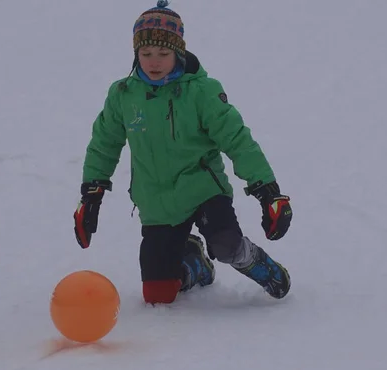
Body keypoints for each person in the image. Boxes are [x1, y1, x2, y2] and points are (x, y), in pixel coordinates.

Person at [74, 0, 293, 305]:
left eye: (163, 53)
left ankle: (252, 259)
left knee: (226, 244)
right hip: (156, 202)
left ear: (177, 52)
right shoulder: (124, 94)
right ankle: (195, 264)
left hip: (202, 188)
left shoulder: (201, 91)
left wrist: (268, 192)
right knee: (158, 295)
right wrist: (91, 195)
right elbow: (104, 143)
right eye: (146, 53)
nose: (154, 61)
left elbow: (237, 140)